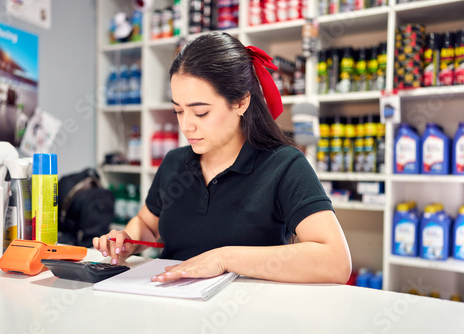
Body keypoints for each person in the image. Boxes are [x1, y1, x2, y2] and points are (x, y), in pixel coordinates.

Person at [93, 32, 351, 284]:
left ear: (240, 103)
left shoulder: (284, 166)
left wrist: (225, 258)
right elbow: (148, 225)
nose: (186, 126)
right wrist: (128, 240)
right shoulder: (174, 163)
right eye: (178, 111)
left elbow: (336, 261)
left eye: (201, 112)